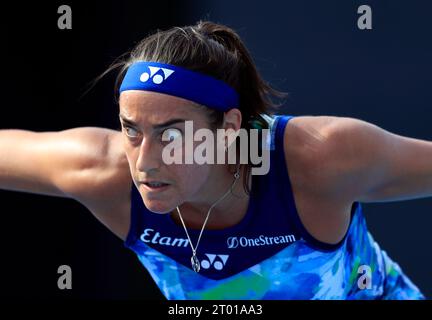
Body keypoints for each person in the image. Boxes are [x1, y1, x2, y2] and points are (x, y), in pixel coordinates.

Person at [0, 21, 428, 300]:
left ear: (228, 128)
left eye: (172, 135)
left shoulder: (320, 158)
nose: (145, 162)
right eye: (131, 129)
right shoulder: (103, 172)